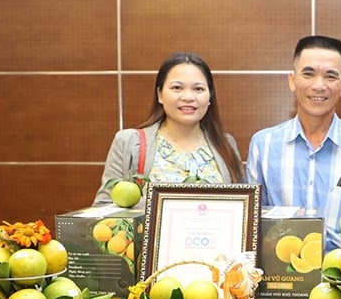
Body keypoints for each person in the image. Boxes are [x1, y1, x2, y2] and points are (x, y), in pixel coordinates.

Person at [246, 35, 341, 252]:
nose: (319, 85)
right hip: (282, 282)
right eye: (308, 74)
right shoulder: (264, 145)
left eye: (330, 76)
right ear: (292, 80)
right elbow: (252, 226)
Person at [93, 52, 244, 205]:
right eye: (177, 87)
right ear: (160, 94)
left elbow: (243, 208)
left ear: (209, 96)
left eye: (198, 89)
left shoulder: (226, 144)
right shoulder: (129, 142)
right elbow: (103, 207)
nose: (188, 97)